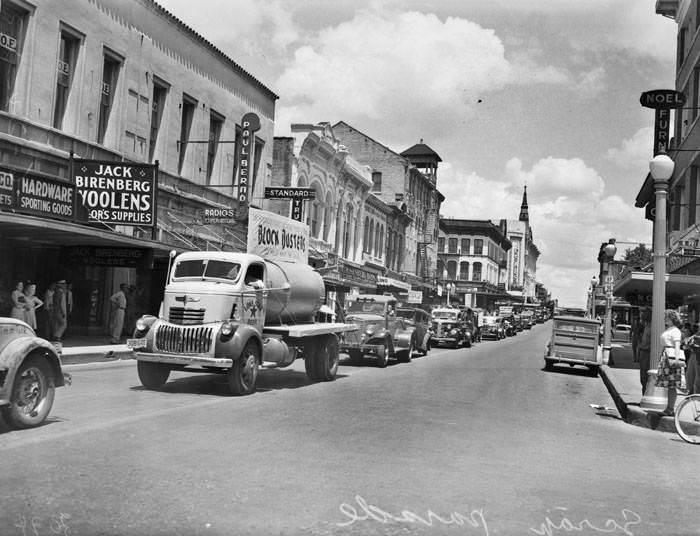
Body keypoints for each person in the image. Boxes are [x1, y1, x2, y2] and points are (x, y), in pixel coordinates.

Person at [655, 309, 686, 416]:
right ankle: (669, 408)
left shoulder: (675, 331)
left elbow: (677, 345)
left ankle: (670, 409)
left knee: (672, 385)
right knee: (669, 385)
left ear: (672, 319)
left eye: (666, 317)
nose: (664, 318)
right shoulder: (669, 329)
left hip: (671, 357)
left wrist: (676, 360)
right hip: (666, 356)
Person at [637, 309, 651, 395]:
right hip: (643, 352)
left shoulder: (652, 327)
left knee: (645, 377)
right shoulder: (646, 326)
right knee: (642, 377)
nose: (642, 315)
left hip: (647, 353)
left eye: (644, 313)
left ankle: (646, 396)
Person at [684, 322, 700, 395]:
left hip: (698, 355)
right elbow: (687, 340)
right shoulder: (697, 333)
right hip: (693, 354)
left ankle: (696, 394)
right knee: (689, 374)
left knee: (697, 376)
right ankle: (690, 391)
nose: (696, 328)